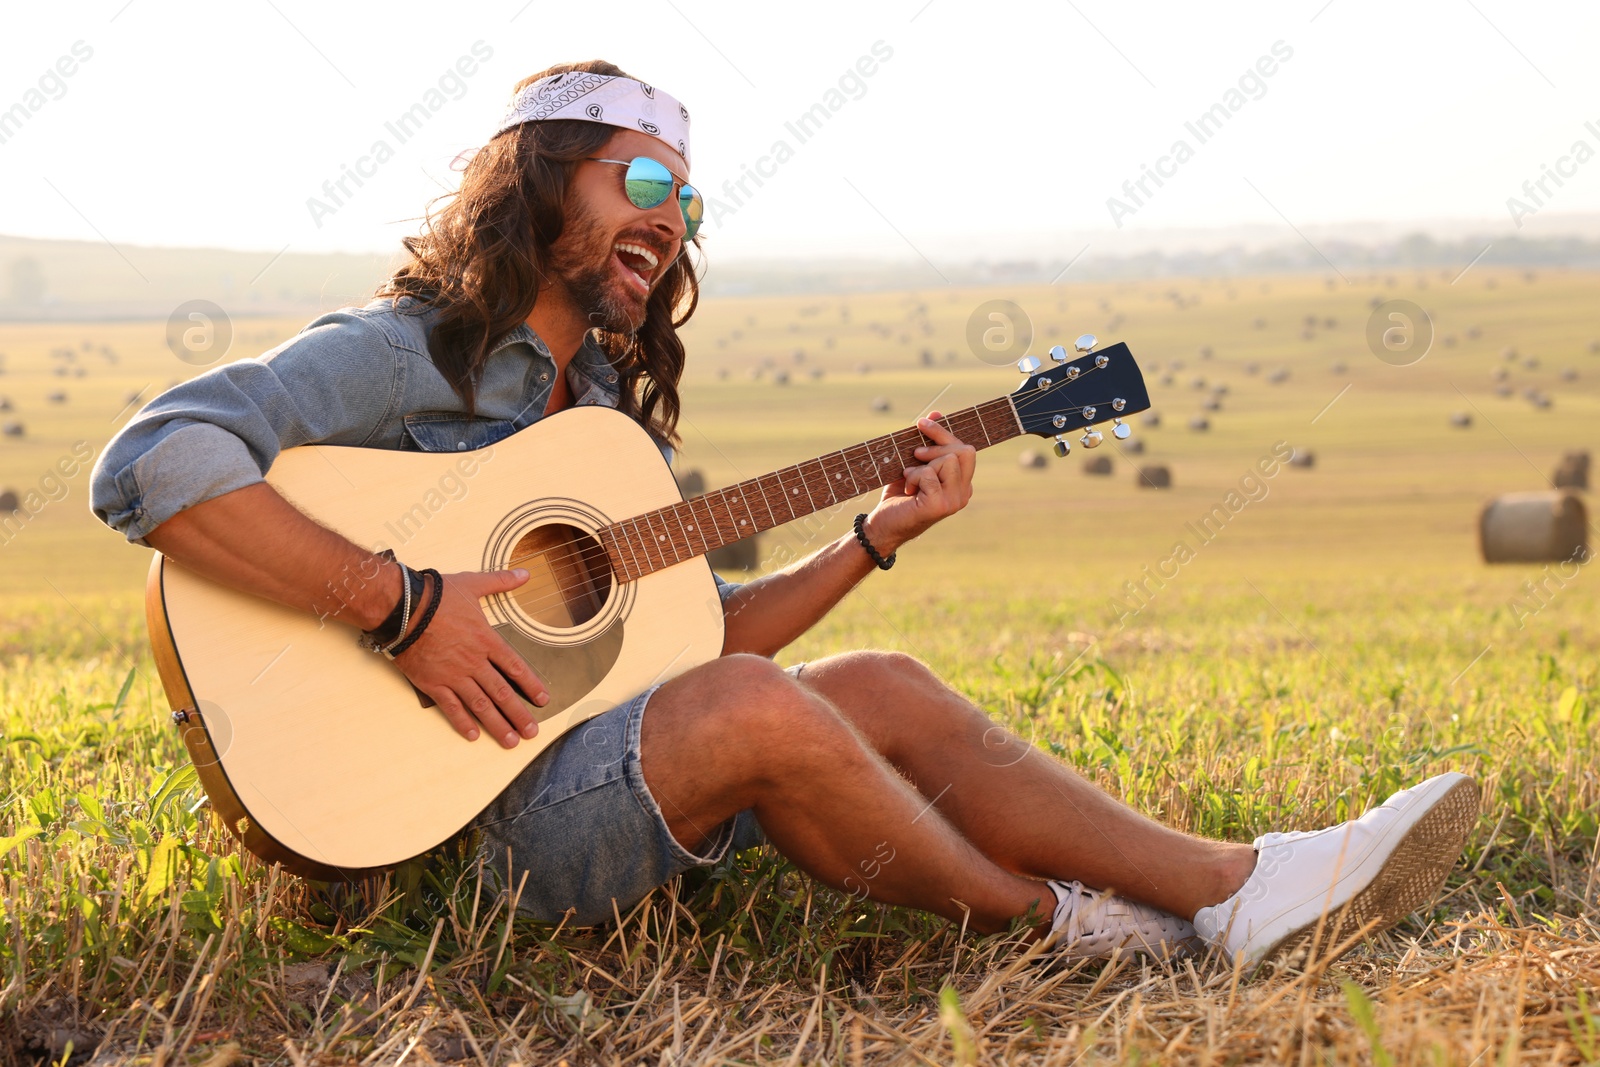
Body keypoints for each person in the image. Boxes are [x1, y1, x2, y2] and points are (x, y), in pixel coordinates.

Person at [91, 61, 1479, 971]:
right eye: (641, 183)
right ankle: (1071, 928)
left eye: (686, 204)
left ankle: (1242, 890)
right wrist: (402, 608)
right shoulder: (416, 354)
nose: (671, 220)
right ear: (537, 180)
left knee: (869, 682)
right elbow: (154, 460)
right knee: (759, 710)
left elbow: (688, 651)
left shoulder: (602, 431)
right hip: (437, 840)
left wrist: (873, 540)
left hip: (584, 785)